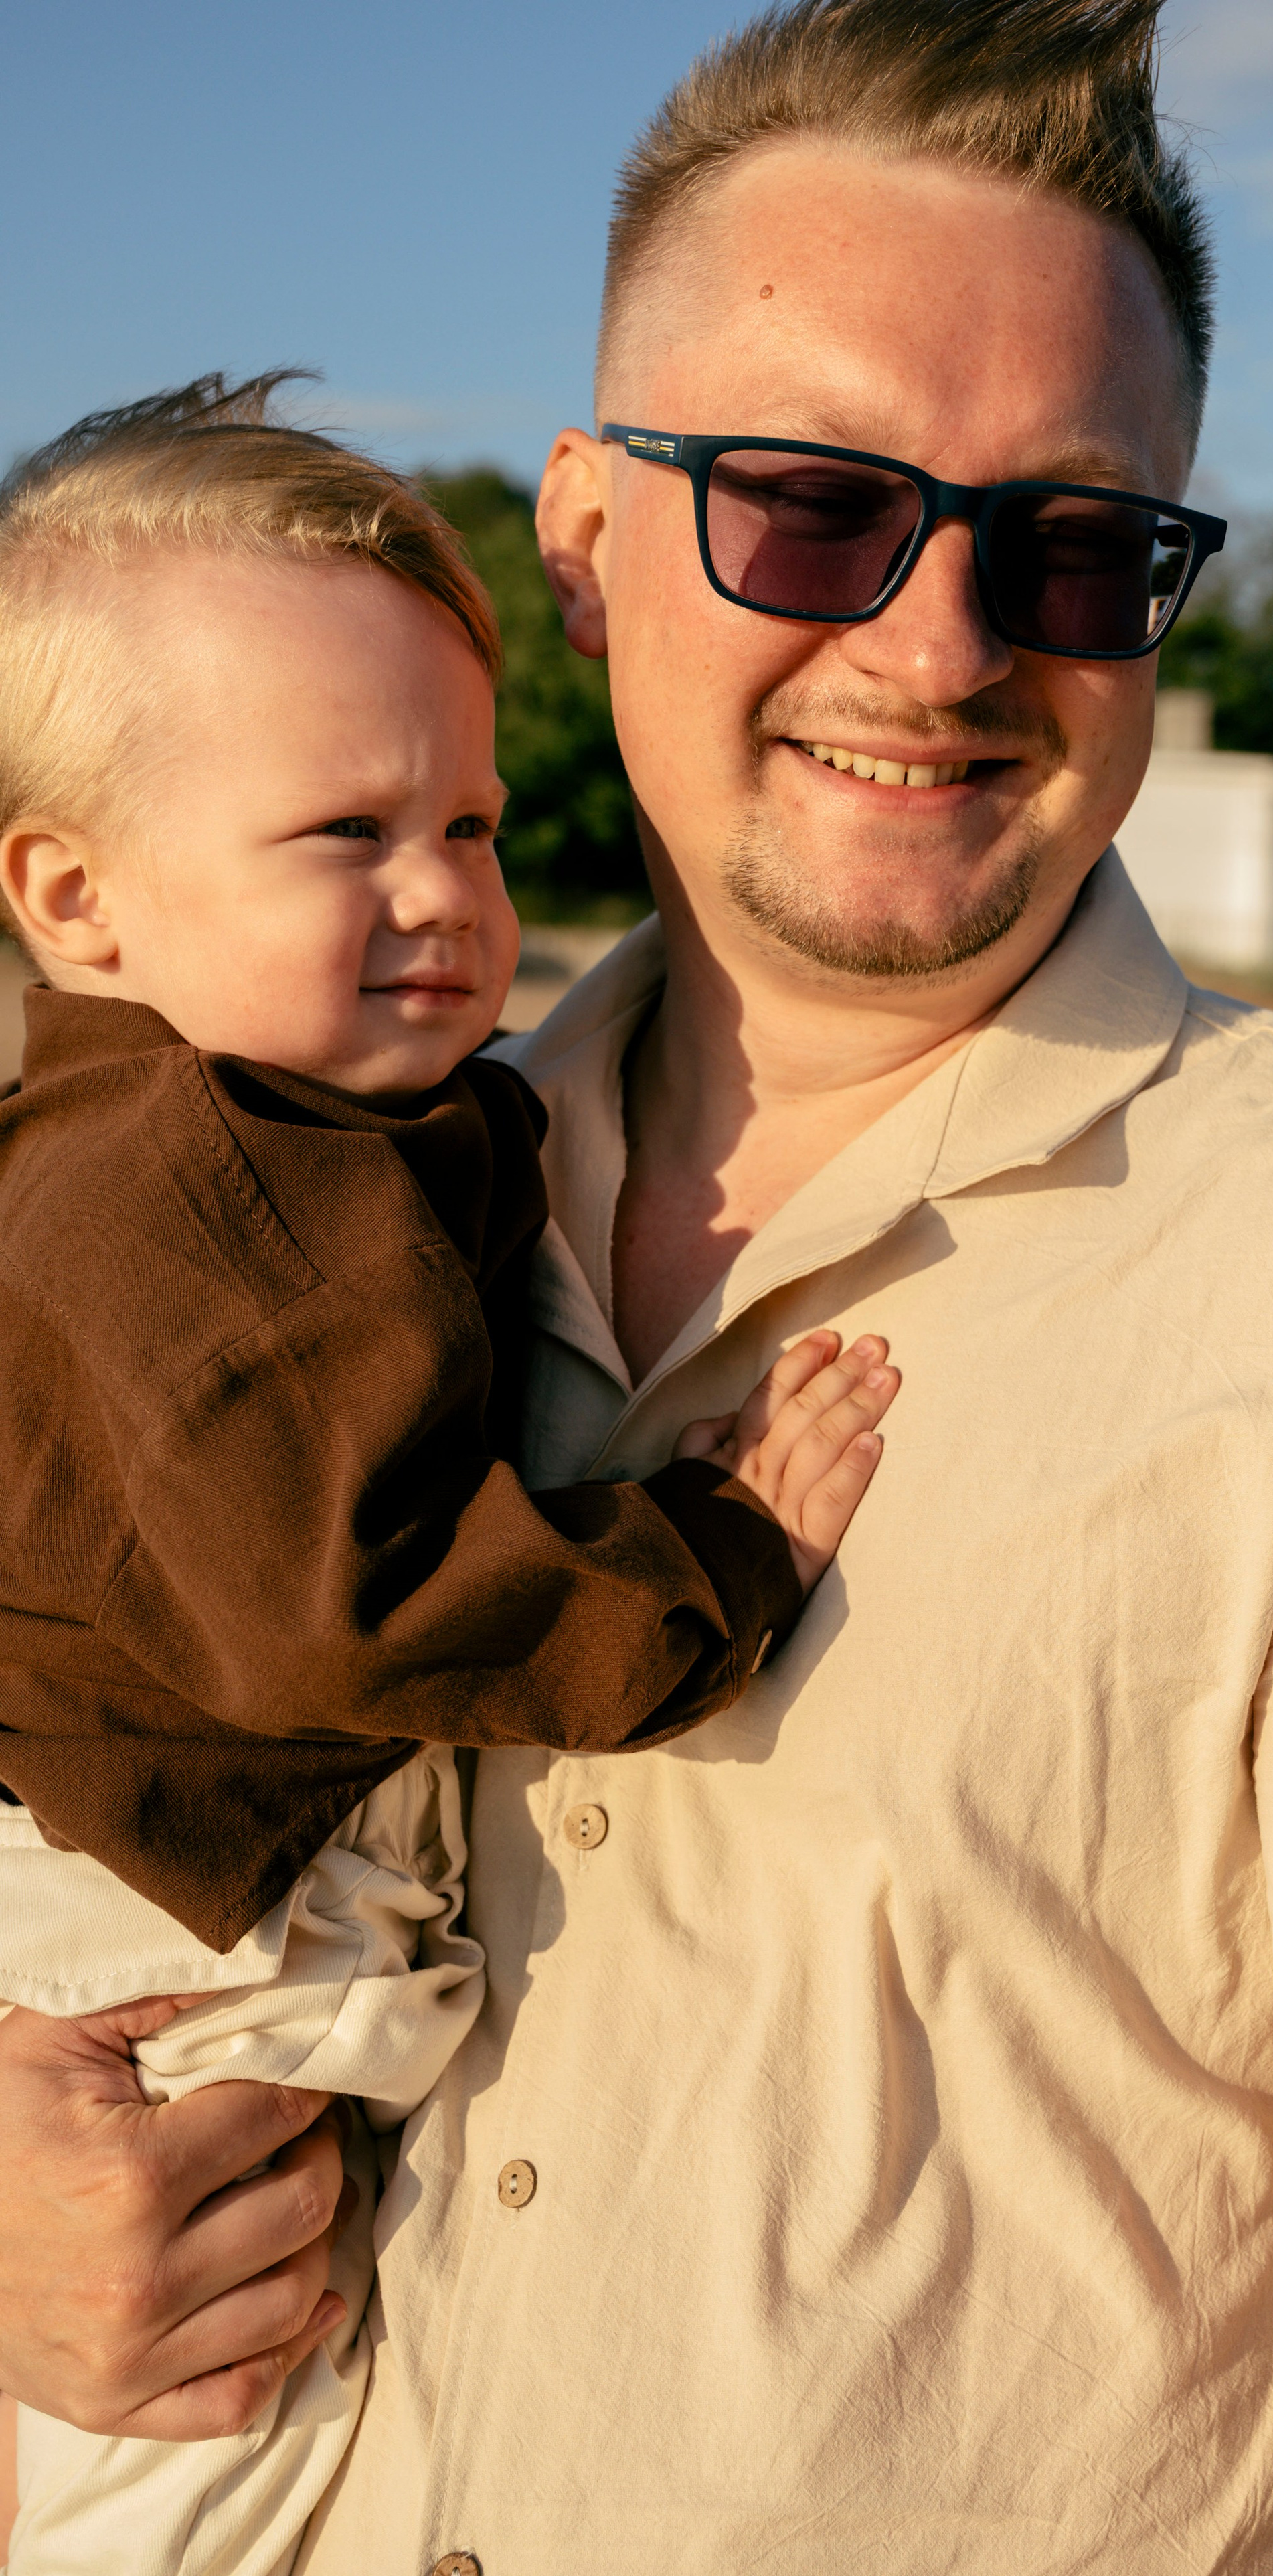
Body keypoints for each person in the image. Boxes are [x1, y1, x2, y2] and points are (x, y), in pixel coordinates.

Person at [5, 3, 1273, 2569]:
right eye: (807, 505)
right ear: (581, 534)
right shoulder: (294, 1163)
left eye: (1072, 543)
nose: (938, 647)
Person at [0, 379, 897, 2575]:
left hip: (175, 1883)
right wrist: (721, 1545)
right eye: (346, 837)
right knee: (215, 2426)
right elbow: (363, 1608)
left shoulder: (269, 1125)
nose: (446, 899)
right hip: (187, 1942)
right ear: (75, 893)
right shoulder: (186, 1195)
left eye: (479, 829)